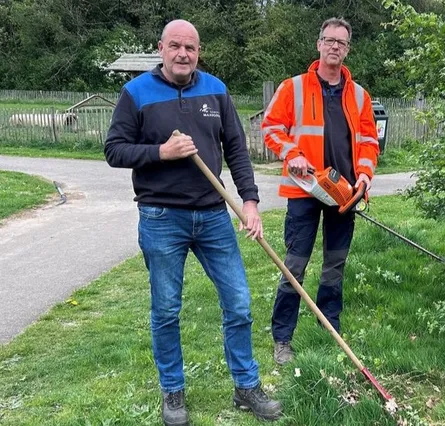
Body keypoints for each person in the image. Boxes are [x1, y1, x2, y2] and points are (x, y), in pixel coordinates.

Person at [104, 19, 282, 426]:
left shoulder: (216, 90)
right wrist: (161, 152)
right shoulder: (135, 93)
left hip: (214, 215)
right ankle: (173, 391)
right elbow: (114, 151)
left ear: (198, 51)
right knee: (166, 309)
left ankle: (245, 386)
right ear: (161, 48)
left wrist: (250, 201)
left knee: (238, 302)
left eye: (191, 47)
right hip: (161, 216)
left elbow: (236, 148)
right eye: (175, 46)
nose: (183, 54)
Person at [262, 17, 380, 365]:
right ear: (318, 44)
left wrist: (365, 177)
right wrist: (292, 153)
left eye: (341, 43)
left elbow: (370, 141)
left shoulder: (359, 95)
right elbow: (270, 127)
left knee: (335, 264)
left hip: (344, 194)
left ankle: (330, 326)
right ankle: (282, 338)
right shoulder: (293, 87)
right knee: (294, 265)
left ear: (347, 49)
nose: (334, 47)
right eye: (329, 40)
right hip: (305, 190)